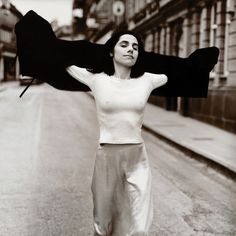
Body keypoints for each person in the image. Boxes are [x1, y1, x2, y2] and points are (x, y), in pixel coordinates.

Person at [66, 31, 167, 235]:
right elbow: (64, 60)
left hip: (137, 157)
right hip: (107, 155)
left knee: (140, 223)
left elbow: (172, 71)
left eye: (135, 47)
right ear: (111, 51)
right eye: (124, 44)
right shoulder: (97, 79)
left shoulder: (147, 80)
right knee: (103, 222)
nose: (131, 49)